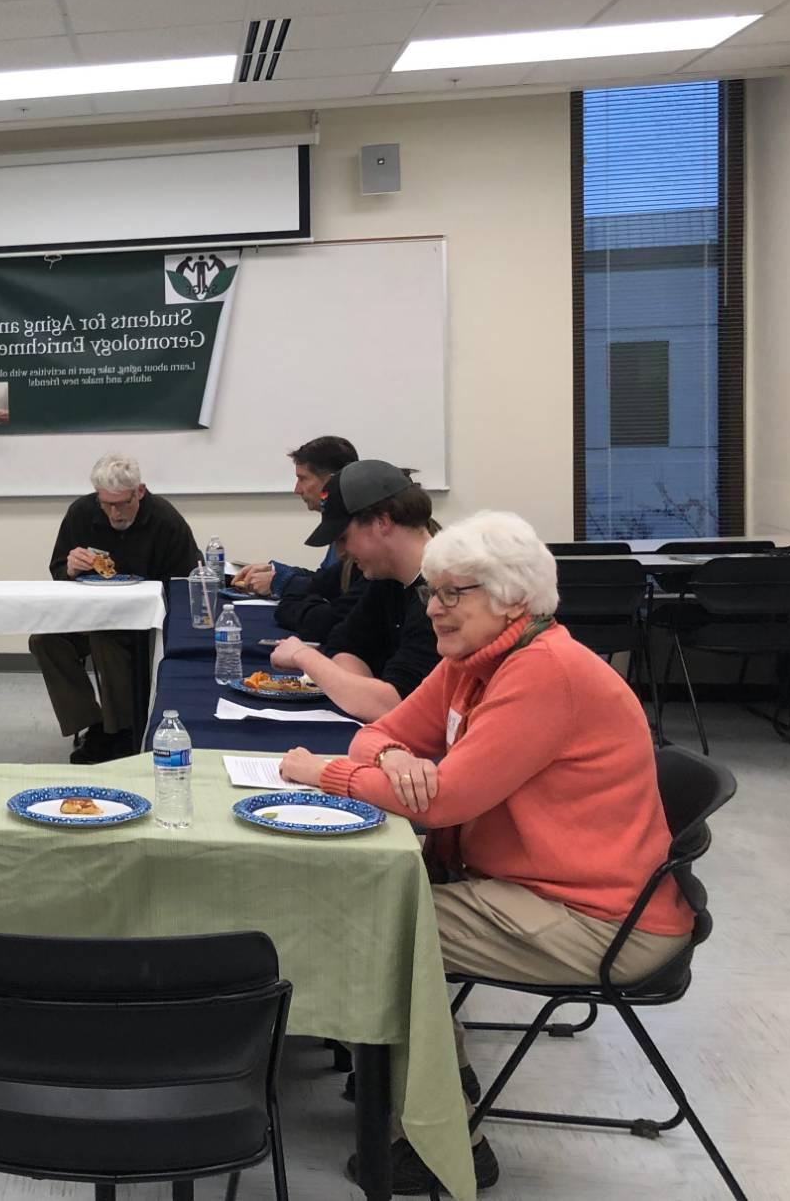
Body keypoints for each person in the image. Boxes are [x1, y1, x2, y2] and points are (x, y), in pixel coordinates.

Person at [278, 512, 694, 1195]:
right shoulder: (473, 662)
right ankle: (436, 1073)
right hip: (539, 890)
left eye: (453, 593)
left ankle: (449, 1142)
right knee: (384, 905)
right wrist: (390, 754)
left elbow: (443, 804)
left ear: (513, 599)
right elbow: (375, 732)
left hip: (604, 920)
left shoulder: (542, 673)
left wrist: (322, 773)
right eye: (431, 593)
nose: (434, 609)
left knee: (382, 924)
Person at [29, 453, 198, 763]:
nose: (115, 513)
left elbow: (187, 581)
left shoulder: (165, 521)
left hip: (143, 625)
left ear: (140, 492)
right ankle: (92, 723)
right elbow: (56, 569)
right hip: (86, 615)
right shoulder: (81, 513)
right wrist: (70, 567)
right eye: (107, 504)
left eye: (122, 504)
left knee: (106, 639)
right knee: (44, 640)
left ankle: (120, 732)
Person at [263, 460, 442, 723]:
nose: (342, 552)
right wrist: (360, 693)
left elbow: (396, 706)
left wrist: (304, 657)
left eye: (344, 537)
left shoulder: (444, 593)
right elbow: (345, 645)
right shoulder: (388, 579)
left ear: (382, 522)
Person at [233, 435, 367, 642]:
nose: (297, 490)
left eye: (303, 478)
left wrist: (281, 582)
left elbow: (335, 605)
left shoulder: (356, 531)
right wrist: (278, 573)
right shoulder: (343, 527)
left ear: (331, 482)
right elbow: (326, 580)